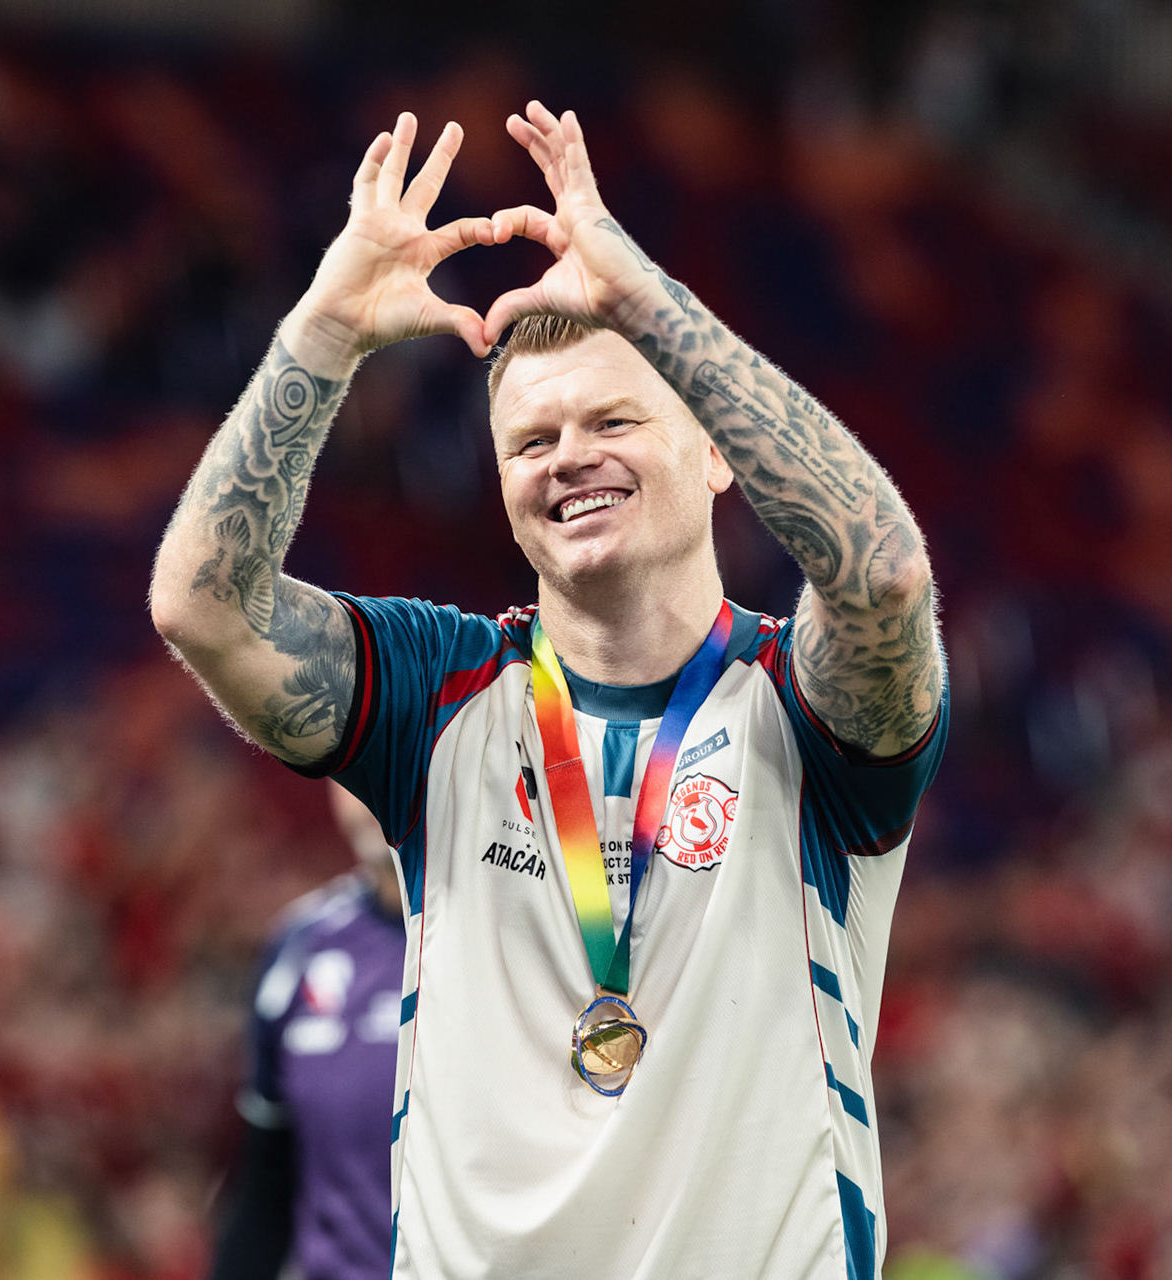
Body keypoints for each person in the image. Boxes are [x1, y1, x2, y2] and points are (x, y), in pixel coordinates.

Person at [152, 102, 947, 1279]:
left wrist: (654, 309)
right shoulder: (438, 694)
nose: (570, 454)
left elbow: (881, 575)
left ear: (716, 449)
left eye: (615, 417)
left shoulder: (803, 706)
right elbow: (203, 607)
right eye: (531, 441)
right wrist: (324, 331)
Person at [210, 782, 408, 1280]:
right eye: (352, 768)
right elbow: (267, 1185)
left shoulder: (513, 939)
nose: (369, 789)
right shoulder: (299, 947)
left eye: (386, 759)